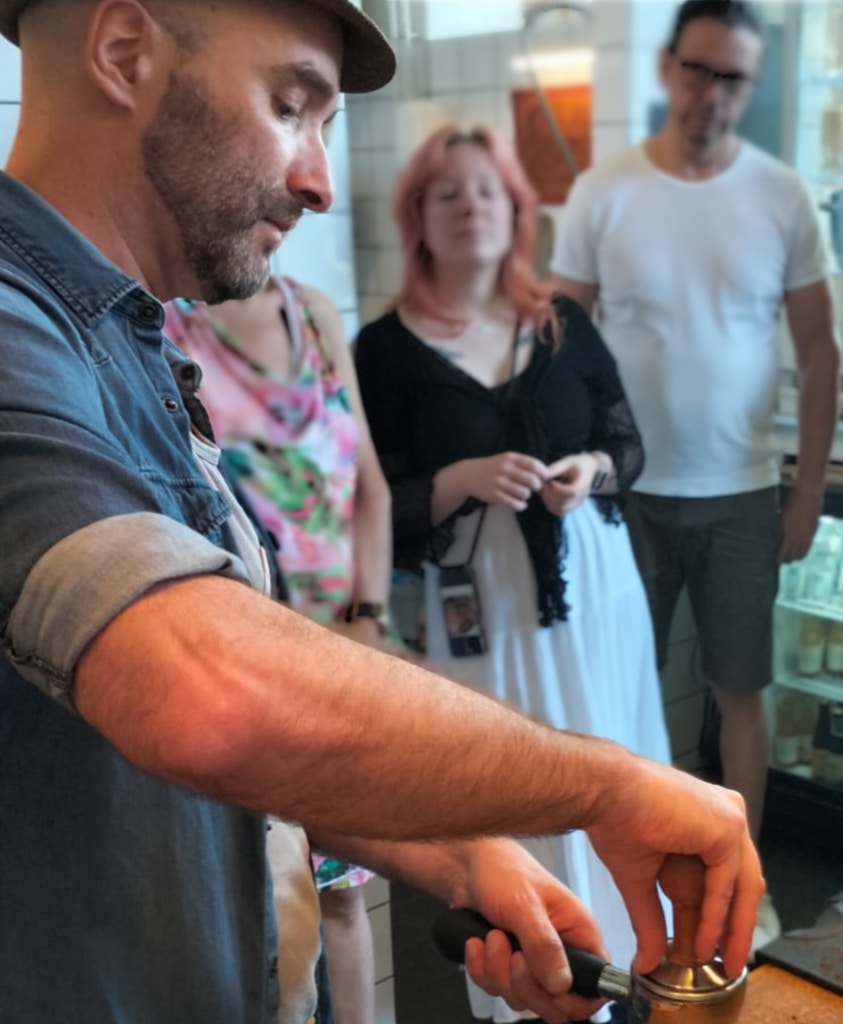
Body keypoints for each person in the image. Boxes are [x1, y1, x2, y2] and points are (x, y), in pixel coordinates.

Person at [0, 1, 764, 1021]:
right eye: (290, 105)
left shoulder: (126, 337)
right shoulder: (16, 333)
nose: (319, 181)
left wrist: (458, 851)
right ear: (123, 51)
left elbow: (208, 755)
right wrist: (607, 786)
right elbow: (208, 693)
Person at [355, 124, 673, 1023]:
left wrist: (589, 472)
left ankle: (632, 962)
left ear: (515, 210)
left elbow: (626, 446)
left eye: (487, 190)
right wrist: (457, 480)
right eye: (447, 192)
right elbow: (375, 501)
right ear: (417, 215)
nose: (471, 207)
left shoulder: (562, 324)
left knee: (608, 761)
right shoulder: (382, 350)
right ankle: (533, 977)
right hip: (480, 611)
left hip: (589, 590)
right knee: (509, 783)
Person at [550, 0, 840, 952]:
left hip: (742, 495)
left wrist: (807, 488)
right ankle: (624, 894)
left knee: (739, 694)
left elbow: (821, 352)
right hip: (621, 499)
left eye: (734, 78)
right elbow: (560, 344)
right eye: (699, 70)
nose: (713, 93)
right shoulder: (604, 191)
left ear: (750, 87)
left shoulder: (782, 196)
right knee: (622, 689)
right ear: (669, 68)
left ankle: (740, 888)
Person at [163, 275, 392, 1024]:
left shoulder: (315, 314)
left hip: (338, 661)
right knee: (257, 900)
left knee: (343, 898)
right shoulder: (160, 322)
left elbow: (371, 490)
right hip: (237, 673)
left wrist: (367, 622)